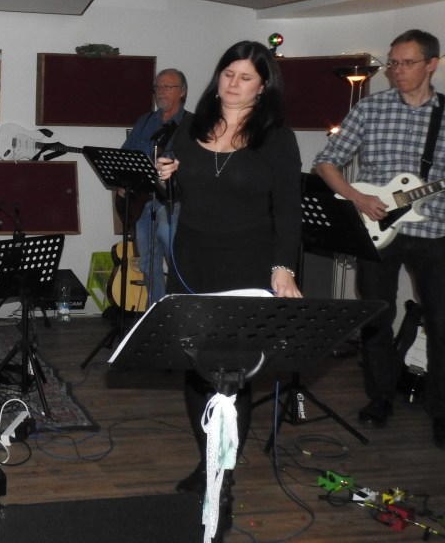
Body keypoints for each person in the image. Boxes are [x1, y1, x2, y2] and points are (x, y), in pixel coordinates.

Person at [156, 41, 302, 520]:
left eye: (245, 77)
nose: (233, 83)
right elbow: (177, 191)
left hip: (247, 264)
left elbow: (288, 211)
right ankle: (207, 463)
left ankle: (225, 471)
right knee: (196, 368)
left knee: (234, 375)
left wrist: (283, 267)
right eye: (228, 73)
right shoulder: (191, 127)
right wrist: (164, 178)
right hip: (192, 262)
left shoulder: (277, 138)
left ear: (263, 86)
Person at [314, 29, 445, 447]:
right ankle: (380, 397)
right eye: (393, 63)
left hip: (433, 230)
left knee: (441, 322)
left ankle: (440, 410)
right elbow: (326, 162)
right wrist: (357, 197)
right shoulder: (370, 108)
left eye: (407, 63)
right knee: (376, 318)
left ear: (432, 64)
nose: (397, 71)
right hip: (374, 228)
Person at [118, 68, 190, 306]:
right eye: (158, 87)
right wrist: (122, 181)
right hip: (142, 202)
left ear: (182, 92)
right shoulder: (145, 122)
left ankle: (180, 308)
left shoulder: (192, 125)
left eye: (167, 86)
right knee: (147, 262)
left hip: (172, 203)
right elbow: (126, 155)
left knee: (174, 256)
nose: (161, 91)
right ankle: (156, 312)